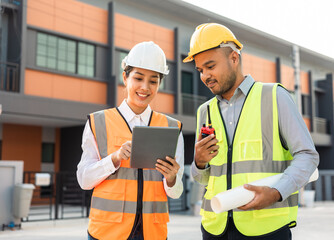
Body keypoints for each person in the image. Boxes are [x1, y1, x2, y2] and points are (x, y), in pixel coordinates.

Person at [183, 23, 319, 240]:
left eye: (210, 66)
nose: (205, 76)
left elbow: (307, 156)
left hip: (265, 229)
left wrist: (276, 192)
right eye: (200, 70)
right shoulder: (205, 111)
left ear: (234, 58)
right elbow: (202, 179)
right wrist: (199, 162)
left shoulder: (274, 97)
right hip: (214, 229)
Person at [77, 41, 184, 240]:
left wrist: (171, 178)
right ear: (125, 77)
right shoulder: (98, 122)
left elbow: (176, 192)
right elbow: (84, 180)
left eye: (153, 81)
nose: (145, 87)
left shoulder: (172, 128)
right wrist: (114, 159)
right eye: (138, 78)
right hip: (107, 233)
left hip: (152, 233)